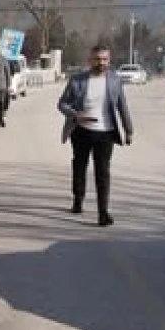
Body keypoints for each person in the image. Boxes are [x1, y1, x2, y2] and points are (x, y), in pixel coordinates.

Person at [57, 45, 134, 227]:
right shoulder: (78, 80)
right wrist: (76, 114)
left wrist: (128, 129)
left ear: (109, 60)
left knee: (103, 173)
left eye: (105, 59)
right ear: (90, 60)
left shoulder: (115, 80)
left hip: (106, 133)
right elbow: (62, 104)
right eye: (97, 59)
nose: (101, 63)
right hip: (81, 131)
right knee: (79, 166)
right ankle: (78, 198)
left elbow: (122, 106)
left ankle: (103, 212)